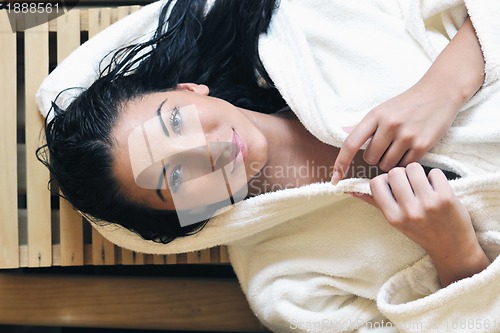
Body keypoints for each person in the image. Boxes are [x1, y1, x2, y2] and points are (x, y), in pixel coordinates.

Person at [37, 0, 500, 331]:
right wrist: (456, 257)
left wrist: (445, 84)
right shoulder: (288, 289)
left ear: (189, 90)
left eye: (176, 122)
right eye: (174, 178)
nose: (205, 150)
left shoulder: (318, 23)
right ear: (184, 216)